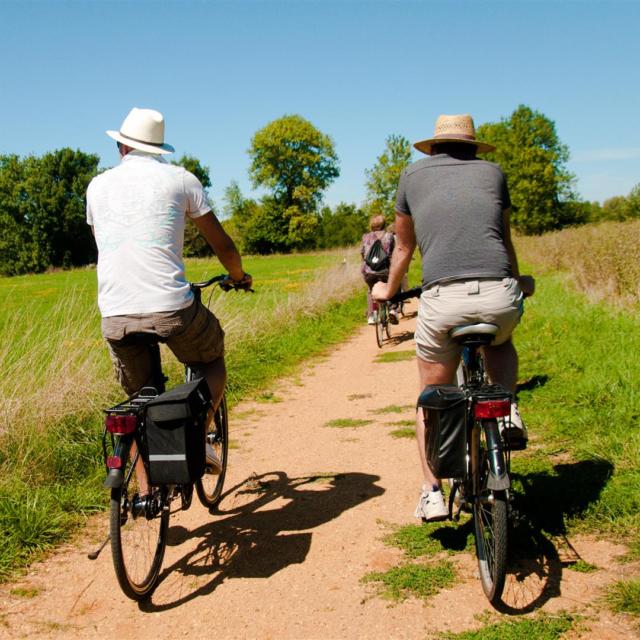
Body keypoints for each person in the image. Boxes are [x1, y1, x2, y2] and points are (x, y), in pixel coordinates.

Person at [372, 114, 534, 522]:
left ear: (434, 147)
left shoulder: (411, 176)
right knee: (503, 341)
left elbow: (404, 248)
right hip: (498, 293)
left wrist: (387, 292)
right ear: (473, 146)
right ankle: (508, 406)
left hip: (444, 300)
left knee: (431, 398)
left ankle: (432, 492)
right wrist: (517, 281)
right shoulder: (493, 174)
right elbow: (502, 238)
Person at [86, 107, 251, 485]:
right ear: (158, 148)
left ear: (122, 146)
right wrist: (238, 276)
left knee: (139, 402)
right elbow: (224, 246)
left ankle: (145, 492)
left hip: (116, 314)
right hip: (171, 309)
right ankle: (198, 438)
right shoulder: (180, 180)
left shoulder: (97, 187)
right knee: (213, 362)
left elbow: (108, 246)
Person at [360, 214, 398, 325]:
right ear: (384, 224)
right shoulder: (389, 236)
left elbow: (362, 253)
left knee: (370, 291)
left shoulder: (365, 237)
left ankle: (371, 315)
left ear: (371, 225)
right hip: (385, 271)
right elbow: (394, 253)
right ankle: (393, 309)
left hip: (368, 272)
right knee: (394, 284)